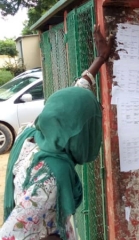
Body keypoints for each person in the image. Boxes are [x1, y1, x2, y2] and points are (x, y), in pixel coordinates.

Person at [0, 25, 114, 240]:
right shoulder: (50, 178)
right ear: (80, 132)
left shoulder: (32, 135)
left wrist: (101, 58)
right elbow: (10, 235)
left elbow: (77, 93)